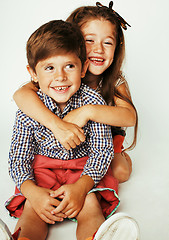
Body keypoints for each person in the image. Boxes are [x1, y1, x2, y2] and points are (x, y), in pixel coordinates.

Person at [4, 19, 139, 240]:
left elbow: (101, 151)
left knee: (90, 205)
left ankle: (95, 237)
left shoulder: (93, 100)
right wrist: (32, 192)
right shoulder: (31, 106)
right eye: (49, 68)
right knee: (33, 210)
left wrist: (82, 187)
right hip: (43, 171)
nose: (60, 77)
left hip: (82, 169)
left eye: (69, 66)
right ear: (33, 73)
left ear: (83, 67)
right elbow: (18, 156)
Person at [13, 1, 138, 184]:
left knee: (120, 173)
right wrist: (56, 125)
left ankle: (120, 153)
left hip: (103, 138)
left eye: (108, 42)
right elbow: (20, 95)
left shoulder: (114, 81)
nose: (98, 49)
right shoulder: (60, 76)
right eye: (89, 40)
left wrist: (86, 111)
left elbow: (129, 117)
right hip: (68, 140)